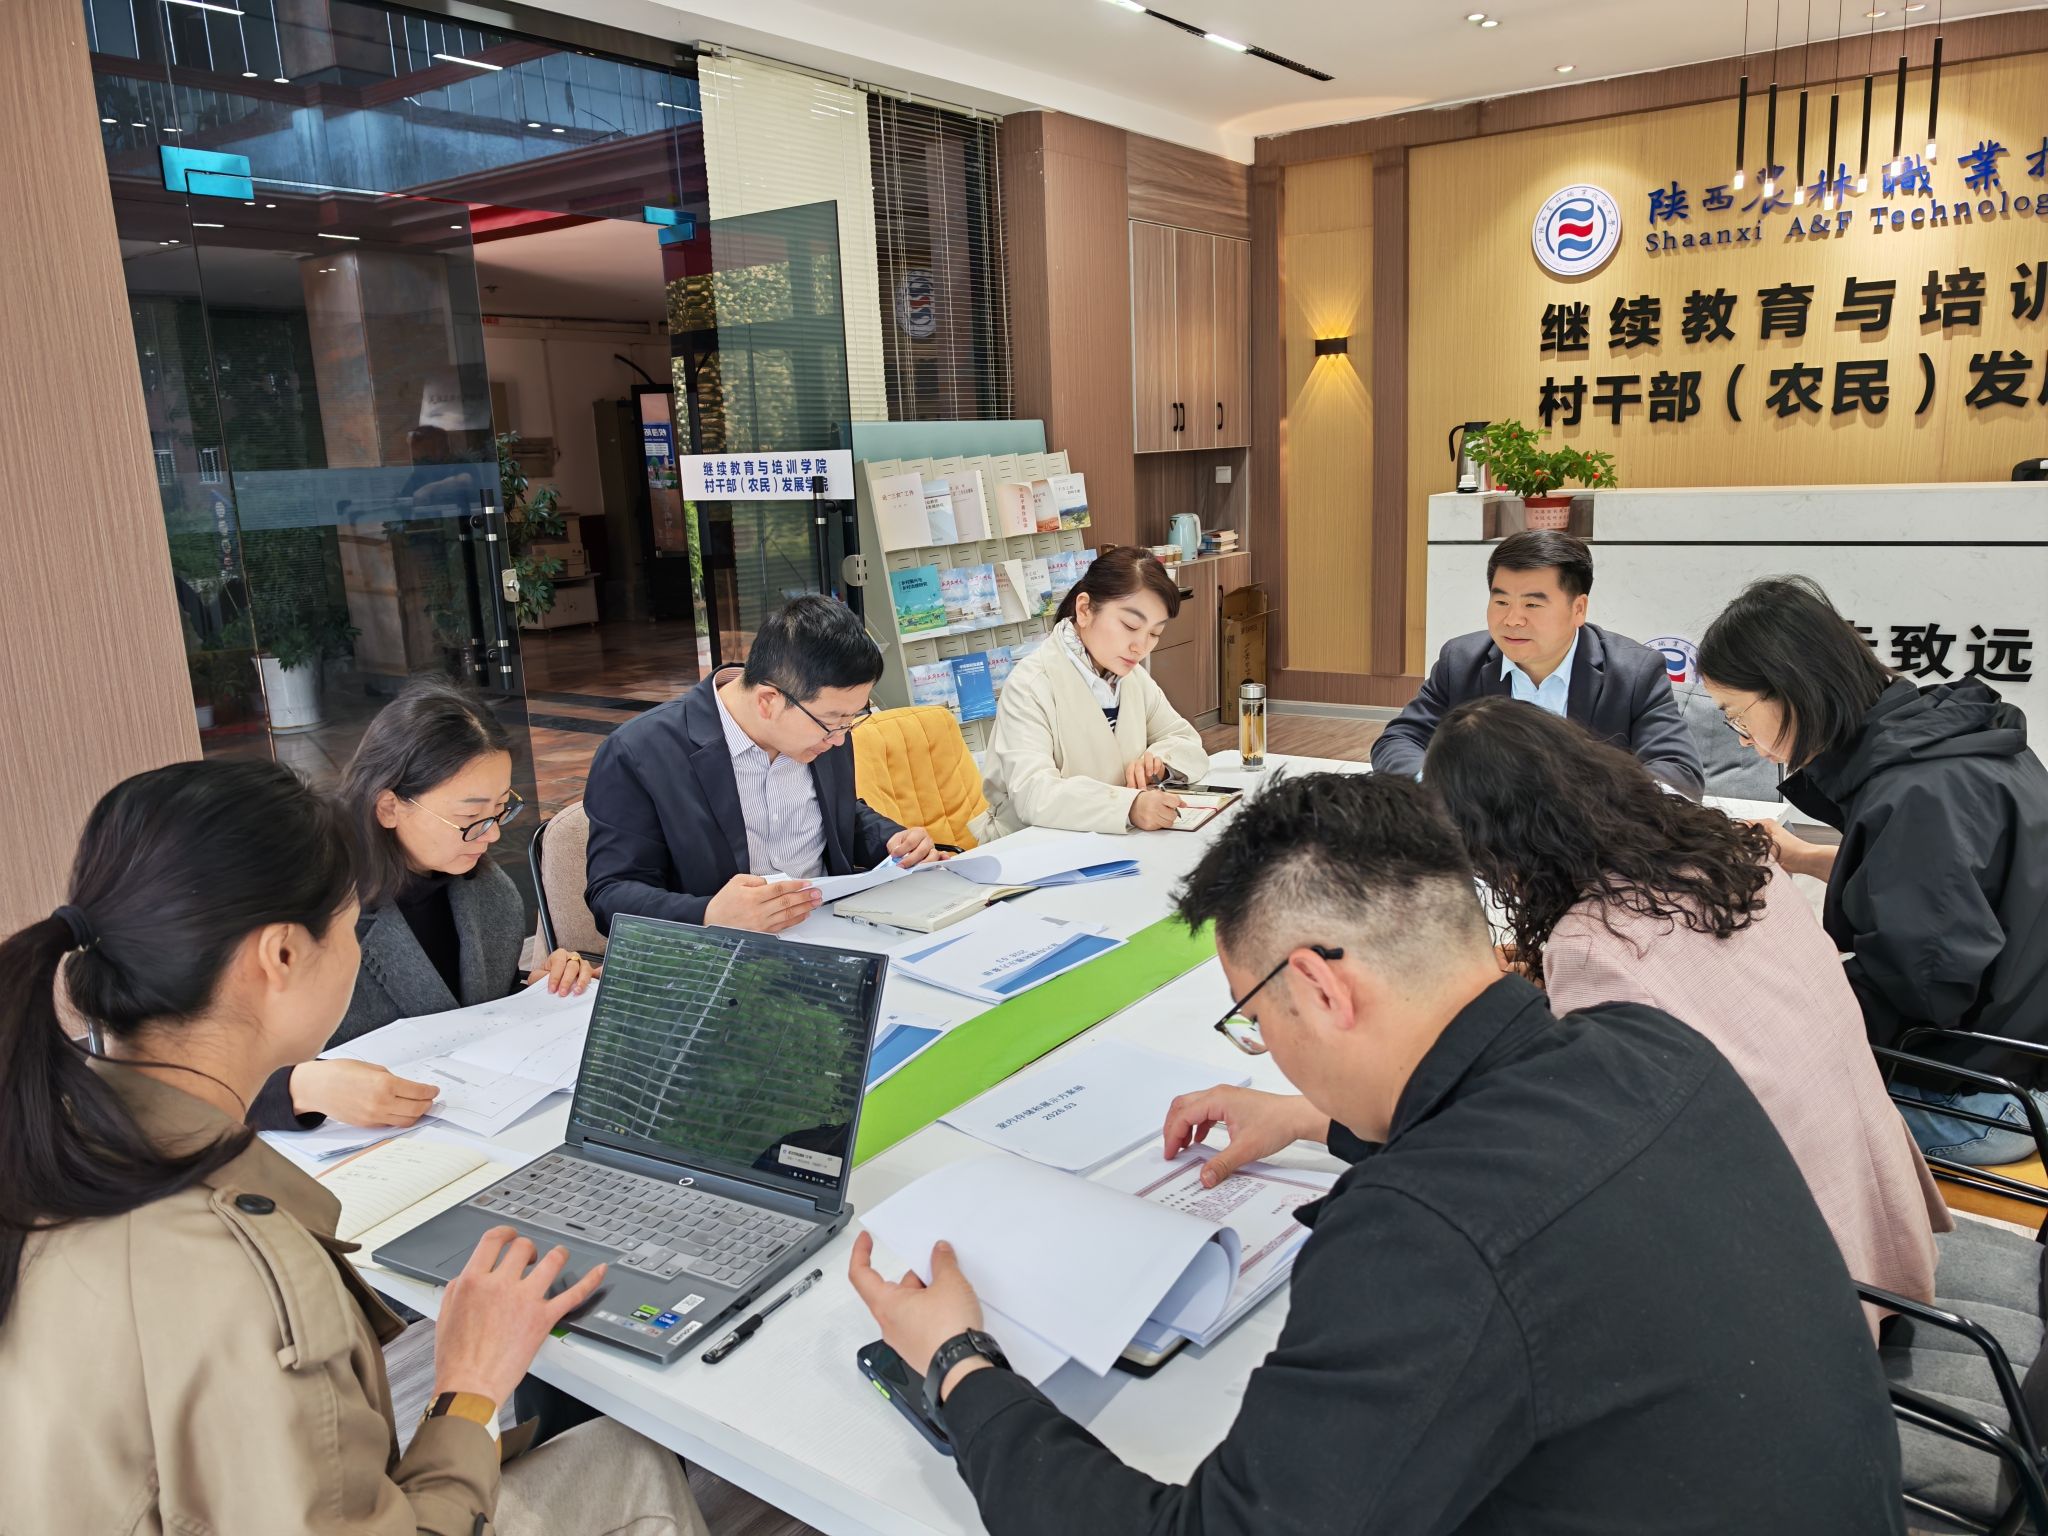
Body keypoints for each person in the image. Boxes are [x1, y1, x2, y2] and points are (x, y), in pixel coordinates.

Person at [850, 773, 1904, 1535]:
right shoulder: (1648, 1046)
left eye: (1252, 1016)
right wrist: (1313, 1121)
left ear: (1317, 987)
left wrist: (959, 1366)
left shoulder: (1420, 1236)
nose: (1265, 1045)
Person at [0, 759, 705, 1534]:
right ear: (280, 956)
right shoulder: (241, 1273)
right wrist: (469, 1387)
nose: (357, 951)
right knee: (628, 1458)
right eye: (345, 927)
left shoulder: (45, 1136)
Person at [1424, 696, 1950, 1323]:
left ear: (1495, 844)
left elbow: (1602, 1148)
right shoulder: (1732, 854)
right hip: (1875, 1224)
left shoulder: (1590, 944)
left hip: (1790, 1290)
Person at [1700, 575, 2048, 1166]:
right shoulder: (1950, 738)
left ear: (1791, 688)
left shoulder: (1917, 794)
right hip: (2020, 1047)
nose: (1743, 740)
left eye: (1736, 715)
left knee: (1719, 1108)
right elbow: (1950, 889)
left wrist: (1759, 1009)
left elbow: (1918, 988)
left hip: (1981, 1098)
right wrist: (1802, 857)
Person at [250, 676, 595, 1132]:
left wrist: (535, 991)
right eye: (470, 816)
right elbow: (192, 1076)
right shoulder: (306, 909)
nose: (492, 834)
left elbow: (460, 1008)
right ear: (389, 807)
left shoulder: (488, 892)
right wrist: (300, 1089)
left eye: (500, 808)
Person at [584, 594, 936, 935]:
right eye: (833, 721)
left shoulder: (824, 727)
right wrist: (707, 914)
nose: (841, 738)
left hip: (834, 930)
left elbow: (836, 814)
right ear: (768, 701)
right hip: (719, 953)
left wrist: (892, 841)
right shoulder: (640, 752)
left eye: (852, 718)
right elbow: (611, 894)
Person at [1370, 529, 1704, 793]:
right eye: (1501, 602)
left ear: (1578, 609)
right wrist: (1436, 788)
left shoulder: (1634, 672)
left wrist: (1592, 807)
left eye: (1532, 605)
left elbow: (1679, 772)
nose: (1512, 620)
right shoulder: (1460, 661)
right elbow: (1400, 740)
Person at [974, 546, 1210, 838]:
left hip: (1111, 841)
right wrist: (1129, 806)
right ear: (1084, 610)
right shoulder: (1030, 684)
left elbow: (1186, 742)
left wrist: (1161, 763)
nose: (1140, 647)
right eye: (1130, 626)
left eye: (1154, 634)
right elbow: (1034, 794)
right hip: (1032, 848)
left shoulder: (1132, 678)